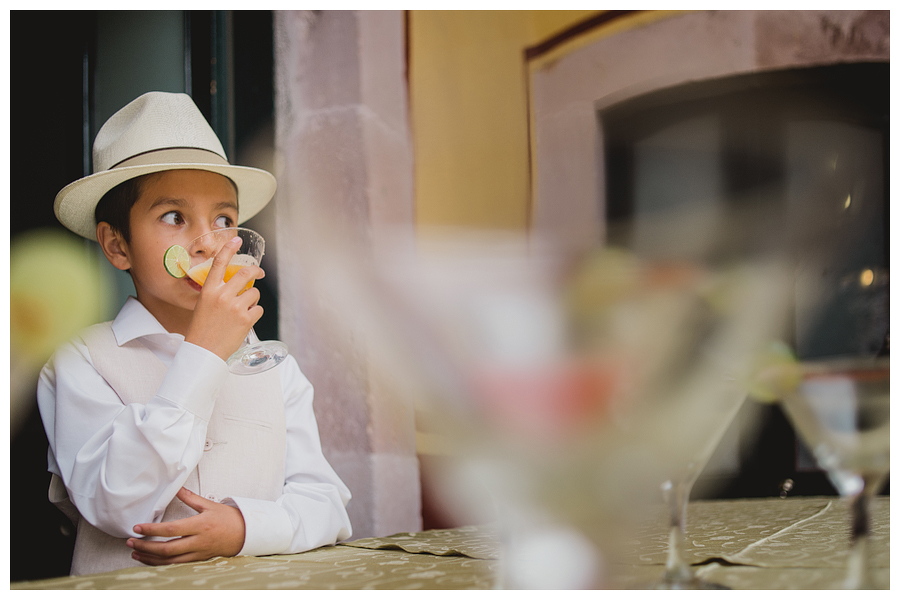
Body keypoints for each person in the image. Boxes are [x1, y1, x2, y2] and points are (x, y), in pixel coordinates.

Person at [37, 91, 352, 576]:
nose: (208, 243)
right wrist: (203, 352)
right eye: (173, 217)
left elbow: (327, 504)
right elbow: (116, 504)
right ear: (117, 245)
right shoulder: (80, 361)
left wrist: (246, 529)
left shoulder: (276, 369)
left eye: (225, 220)